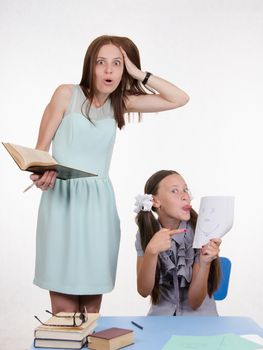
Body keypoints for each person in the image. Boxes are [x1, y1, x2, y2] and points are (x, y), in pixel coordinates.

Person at [30, 35, 189, 314]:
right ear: (89, 65)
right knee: (64, 313)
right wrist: (42, 174)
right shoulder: (66, 94)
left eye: (117, 64)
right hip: (62, 203)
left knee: (91, 313)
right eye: (101, 62)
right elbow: (39, 155)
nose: (108, 71)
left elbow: (179, 98)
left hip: (98, 206)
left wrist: (140, 74)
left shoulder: (121, 102)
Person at [134, 170, 221, 316]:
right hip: (161, 320)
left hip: (200, 320)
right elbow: (144, 291)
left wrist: (205, 263)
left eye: (185, 190)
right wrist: (151, 252)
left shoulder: (201, 231)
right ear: (155, 201)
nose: (185, 196)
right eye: (174, 191)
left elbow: (195, 302)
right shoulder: (146, 233)